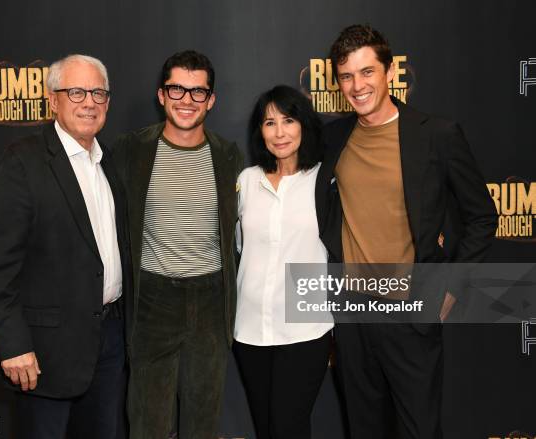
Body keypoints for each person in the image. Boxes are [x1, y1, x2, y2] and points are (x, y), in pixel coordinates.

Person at [315, 25, 497, 439]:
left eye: (366, 72)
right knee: (364, 428)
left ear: (390, 71)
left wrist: (450, 287)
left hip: (411, 311)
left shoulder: (436, 135)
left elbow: (482, 216)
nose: (356, 86)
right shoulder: (333, 138)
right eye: (346, 76)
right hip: (353, 314)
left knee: (419, 430)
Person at [0, 54, 128, 439]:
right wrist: (12, 346)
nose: (89, 102)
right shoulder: (22, 162)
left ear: (108, 102)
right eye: (76, 92)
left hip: (107, 343)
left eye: (98, 93)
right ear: (52, 100)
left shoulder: (108, 161)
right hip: (43, 354)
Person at [112, 50, 242, 439]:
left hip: (211, 298)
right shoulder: (130, 151)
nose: (187, 100)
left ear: (211, 100)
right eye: (177, 89)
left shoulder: (228, 156)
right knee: (148, 422)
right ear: (161, 94)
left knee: (203, 421)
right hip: (151, 299)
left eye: (197, 92)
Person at [233, 85, 334, 439]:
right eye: (269, 123)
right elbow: (239, 247)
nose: (279, 132)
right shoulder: (247, 181)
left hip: (305, 327)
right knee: (265, 428)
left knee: (289, 427)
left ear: (303, 124)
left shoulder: (324, 180)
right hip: (249, 328)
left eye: (288, 120)